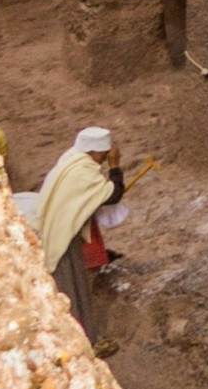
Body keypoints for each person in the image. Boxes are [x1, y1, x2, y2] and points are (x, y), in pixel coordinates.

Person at [16, 127, 129, 355]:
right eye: (104, 154)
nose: (105, 158)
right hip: (62, 238)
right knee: (72, 289)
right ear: (94, 152)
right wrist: (115, 168)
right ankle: (83, 342)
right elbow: (114, 193)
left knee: (75, 287)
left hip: (60, 230)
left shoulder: (71, 159)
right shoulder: (83, 173)